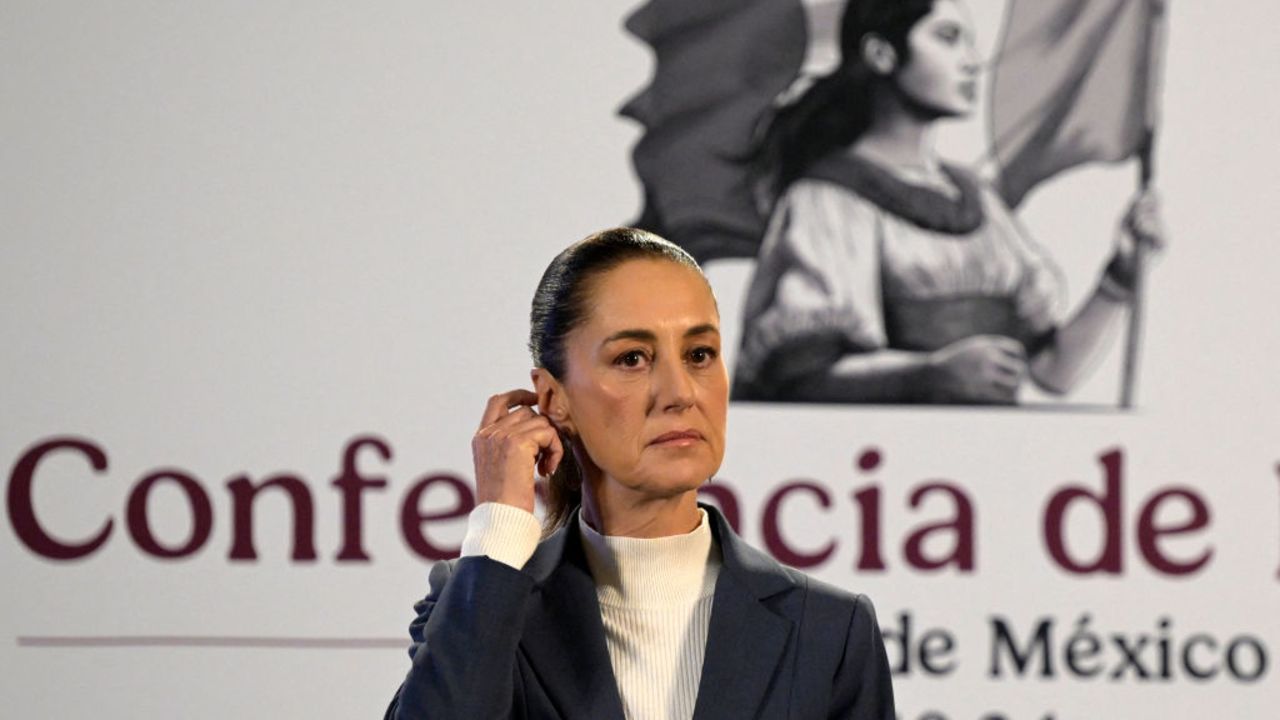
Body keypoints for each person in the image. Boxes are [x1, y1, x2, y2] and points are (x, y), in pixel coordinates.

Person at [385, 227, 895, 719]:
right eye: (632, 358)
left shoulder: (830, 631)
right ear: (553, 400)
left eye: (700, 354)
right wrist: (500, 525)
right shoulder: (475, 604)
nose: (680, 392)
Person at [732, 0, 1165, 404]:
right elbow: (801, 378)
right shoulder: (827, 200)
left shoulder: (978, 201)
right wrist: (929, 373)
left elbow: (1053, 372)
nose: (973, 62)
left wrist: (1120, 276)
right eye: (948, 38)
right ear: (882, 53)